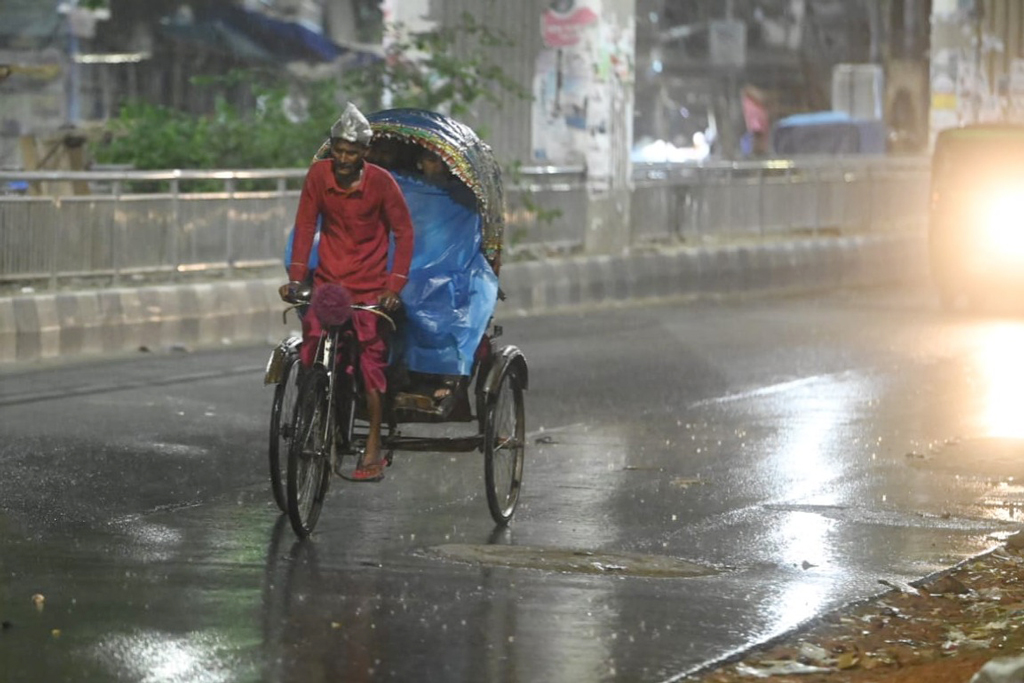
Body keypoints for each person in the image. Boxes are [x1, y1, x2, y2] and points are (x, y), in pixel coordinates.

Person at [280, 103, 414, 482]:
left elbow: (404, 233)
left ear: (364, 153)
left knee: (371, 367)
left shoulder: (381, 183)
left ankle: (372, 443)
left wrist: (393, 286)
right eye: (338, 150)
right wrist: (296, 278)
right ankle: (315, 409)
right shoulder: (318, 176)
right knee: (312, 350)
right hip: (329, 285)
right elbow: (305, 225)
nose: (342, 159)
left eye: (351, 153)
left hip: (369, 288)